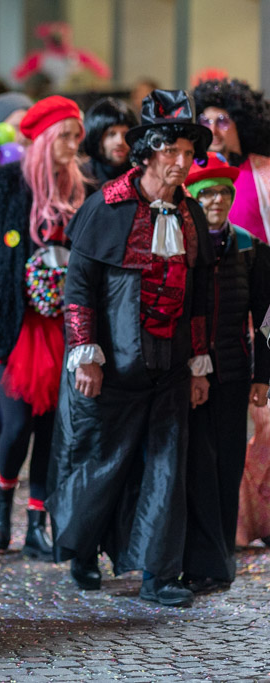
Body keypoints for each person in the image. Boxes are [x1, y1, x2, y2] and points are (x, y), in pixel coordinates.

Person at [47, 89, 214, 607]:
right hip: (111, 365)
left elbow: (201, 296)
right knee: (99, 461)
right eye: (172, 153)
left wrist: (198, 365)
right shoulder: (106, 207)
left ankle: (159, 574)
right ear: (146, 155)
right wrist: (86, 354)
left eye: (189, 153)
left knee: (167, 465)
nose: (182, 164)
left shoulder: (191, 216)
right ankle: (80, 553)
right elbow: (79, 288)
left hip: (168, 364)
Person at [0, 96, 86, 558]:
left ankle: (36, 518)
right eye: (66, 134)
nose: (74, 144)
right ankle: (3, 497)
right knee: (17, 424)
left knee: (52, 429)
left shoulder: (82, 191)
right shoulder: (2, 185)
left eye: (77, 136)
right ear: (42, 138)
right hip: (11, 328)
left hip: (61, 326)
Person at [181, 155, 270, 593]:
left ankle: (219, 560)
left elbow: (266, 319)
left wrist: (263, 378)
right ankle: (193, 557)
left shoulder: (252, 247)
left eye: (224, 193)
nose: (217, 200)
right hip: (188, 376)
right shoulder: (182, 243)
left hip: (235, 373)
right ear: (194, 200)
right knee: (194, 464)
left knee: (227, 466)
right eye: (208, 193)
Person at [193, 78, 270, 242]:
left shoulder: (265, 170)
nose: (212, 130)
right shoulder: (188, 170)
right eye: (206, 122)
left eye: (222, 121)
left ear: (241, 124)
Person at [81, 97, 138, 191]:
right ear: (97, 137)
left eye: (125, 134)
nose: (120, 141)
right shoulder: (83, 176)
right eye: (111, 134)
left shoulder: (140, 175)